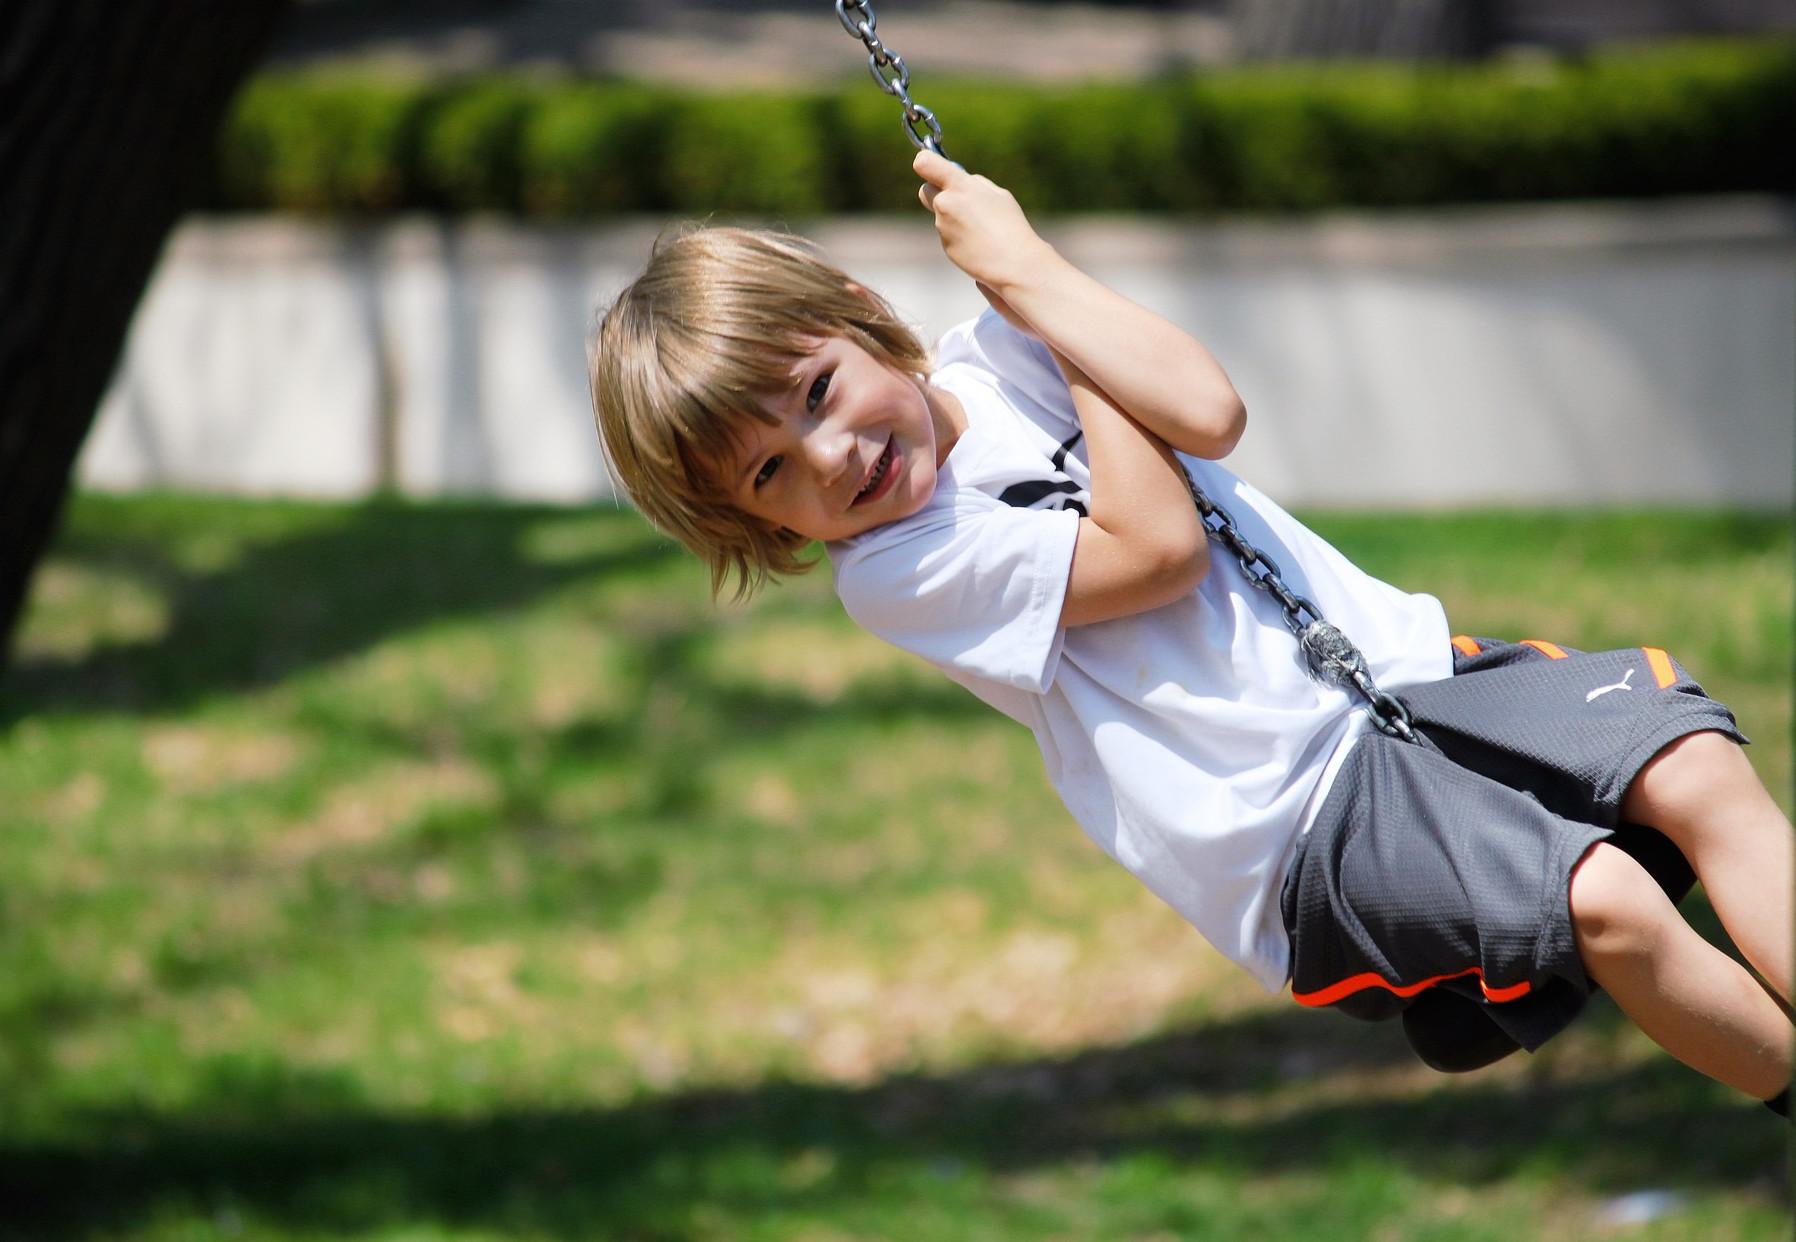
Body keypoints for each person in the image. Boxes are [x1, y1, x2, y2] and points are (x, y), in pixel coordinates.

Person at [589, 148, 1794, 1111]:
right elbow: (1155, 553)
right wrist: (1057, 328)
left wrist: (1029, 273)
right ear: (756, 524)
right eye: (770, 473)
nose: (832, 456)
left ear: (857, 314)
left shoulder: (1004, 343)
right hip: (1291, 823)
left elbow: (1207, 411)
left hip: (1410, 680)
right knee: (1604, 903)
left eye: (817, 393)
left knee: (1691, 764)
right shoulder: (898, 568)